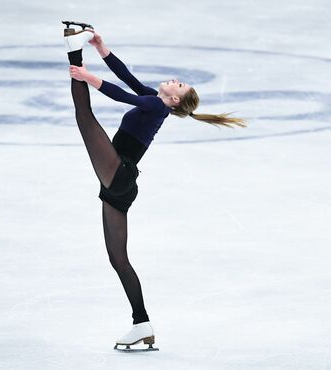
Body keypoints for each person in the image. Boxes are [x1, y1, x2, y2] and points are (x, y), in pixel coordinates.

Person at [63, 21, 246, 351]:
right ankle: (141, 324)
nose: (176, 79)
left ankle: (70, 48)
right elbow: (128, 80)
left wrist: (86, 75)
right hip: (119, 183)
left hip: (120, 173)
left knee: (84, 115)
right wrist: (102, 48)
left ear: (175, 99)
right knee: (118, 258)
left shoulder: (157, 106)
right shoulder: (154, 98)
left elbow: (120, 94)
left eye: (181, 84)